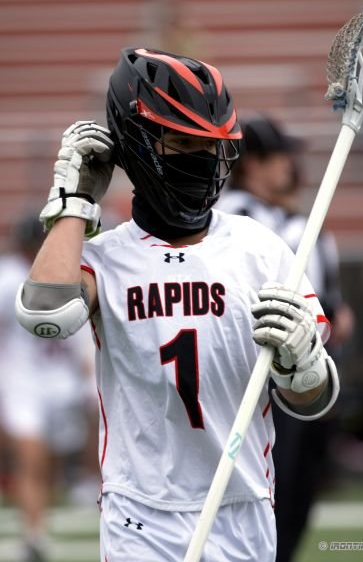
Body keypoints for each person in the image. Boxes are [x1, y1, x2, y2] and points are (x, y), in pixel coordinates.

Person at [15, 47, 339, 562]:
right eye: (184, 142)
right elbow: (45, 316)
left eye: (211, 145)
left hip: (242, 506)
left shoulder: (261, 249)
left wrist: (302, 366)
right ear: (136, 142)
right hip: (140, 515)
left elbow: (313, 400)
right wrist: (75, 201)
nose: (203, 159)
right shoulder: (105, 257)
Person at [218, 113, 354, 562]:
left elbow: (330, 303)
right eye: (279, 157)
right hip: (260, 373)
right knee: (268, 491)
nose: (290, 167)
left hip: (310, 366)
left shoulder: (295, 220)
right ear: (252, 163)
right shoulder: (234, 219)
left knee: (299, 490)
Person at [0, 213, 95, 562]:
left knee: (50, 465)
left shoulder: (70, 272)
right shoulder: (9, 278)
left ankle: (39, 523)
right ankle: (34, 533)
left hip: (61, 381)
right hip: (24, 381)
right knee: (31, 459)